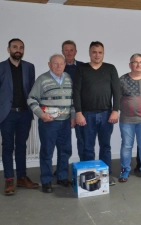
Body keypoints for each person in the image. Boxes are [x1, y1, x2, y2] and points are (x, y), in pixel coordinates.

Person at [73, 41, 120, 186]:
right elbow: (76, 92)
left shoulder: (110, 68)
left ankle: (106, 176)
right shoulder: (81, 69)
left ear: (103, 53)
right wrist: (78, 113)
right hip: (86, 115)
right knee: (88, 147)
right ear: (89, 53)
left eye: (100, 52)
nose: (97, 55)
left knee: (105, 146)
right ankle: (89, 176)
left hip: (106, 114)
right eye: (94, 52)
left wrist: (115, 111)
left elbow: (116, 91)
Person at [27, 54, 74, 193]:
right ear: (49, 65)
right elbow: (31, 99)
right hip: (49, 123)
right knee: (47, 152)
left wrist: (72, 116)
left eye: (61, 63)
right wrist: (41, 115)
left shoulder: (68, 78)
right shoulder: (42, 79)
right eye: (55, 63)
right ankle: (46, 180)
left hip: (65, 122)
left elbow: (72, 100)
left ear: (65, 65)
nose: (58, 66)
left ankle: (62, 176)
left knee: (65, 151)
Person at [0, 38, 38, 195]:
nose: (18, 50)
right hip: (7, 114)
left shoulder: (29, 67)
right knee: (8, 147)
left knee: (22, 146)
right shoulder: (1, 67)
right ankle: (9, 179)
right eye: (15, 47)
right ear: (8, 49)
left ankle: (22, 177)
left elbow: (32, 90)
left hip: (24, 113)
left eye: (21, 47)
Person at [119, 53, 141, 182]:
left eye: (140, 62)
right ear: (130, 64)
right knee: (126, 146)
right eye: (135, 62)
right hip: (127, 120)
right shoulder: (122, 79)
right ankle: (124, 171)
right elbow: (118, 98)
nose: (138, 64)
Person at [61, 40, 84, 161]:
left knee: (82, 140)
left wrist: (76, 112)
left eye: (71, 50)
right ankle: (62, 168)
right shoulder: (58, 67)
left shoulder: (83, 67)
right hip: (62, 110)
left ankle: (84, 166)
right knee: (63, 141)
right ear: (62, 51)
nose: (69, 53)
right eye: (66, 50)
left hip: (80, 109)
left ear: (76, 51)